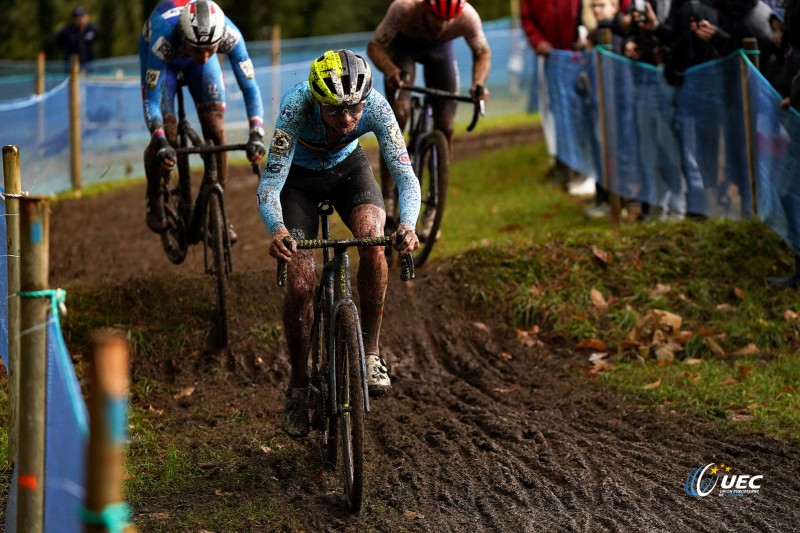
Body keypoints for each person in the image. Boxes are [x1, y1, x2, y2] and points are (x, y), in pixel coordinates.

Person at [258, 50, 421, 438]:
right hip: (298, 181)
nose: (347, 121)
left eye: (354, 111)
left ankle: (370, 352)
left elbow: (406, 176)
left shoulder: (377, 107)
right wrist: (278, 229)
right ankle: (298, 385)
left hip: (350, 173)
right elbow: (270, 184)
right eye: (334, 112)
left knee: (372, 238)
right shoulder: (296, 105)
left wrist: (410, 224)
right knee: (301, 282)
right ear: (317, 100)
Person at [139, 0, 265, 235]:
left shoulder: (230, 35)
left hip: (192, 61)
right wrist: (161, 139)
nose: (206, 56)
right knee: (169, 136)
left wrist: (256, 132)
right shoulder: (163, 40)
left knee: (216, 130)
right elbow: (152, 100)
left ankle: (216, 211)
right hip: (163, 62)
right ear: (185, 39)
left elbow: (250, 88)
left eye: (211, 49)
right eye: (198, 49)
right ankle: (154, 196)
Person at [366, 0, 491, 225]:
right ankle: (388, 195)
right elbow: (374, 47)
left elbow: (482, 52)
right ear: (424, 8)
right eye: (437, 18)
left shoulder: (468, 16)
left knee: (447, 125)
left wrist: (478, 83)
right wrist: (391, 70)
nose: (442, 25)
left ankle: (435, 197)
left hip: (440, 55)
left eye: (448, 21)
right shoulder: (403, 8)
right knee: (399, 114)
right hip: (403, 49)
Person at [55, 6, 99, 72]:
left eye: (82, 16)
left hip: (89, 62)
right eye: (78, 17)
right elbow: (59, 43)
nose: (80, 19)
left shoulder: (92, 29)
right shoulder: (66, 31)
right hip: (71, 63)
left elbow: (96, 39)